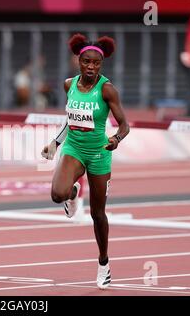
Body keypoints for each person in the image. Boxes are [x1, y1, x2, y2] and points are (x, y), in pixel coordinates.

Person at [41, 33, 130, 289]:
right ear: (78, 61)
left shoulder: (107, 89)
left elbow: (124, 124)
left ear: (101, 65)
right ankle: (72, 192)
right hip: (75, 148)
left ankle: (104, 262)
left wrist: (116, 139)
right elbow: (71, 120)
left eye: (96, 64)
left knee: (97, 214)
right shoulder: (69, 85)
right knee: (58, 194)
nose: (91, 67)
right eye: (86, 62)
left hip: (100, 152)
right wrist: (55, 144)